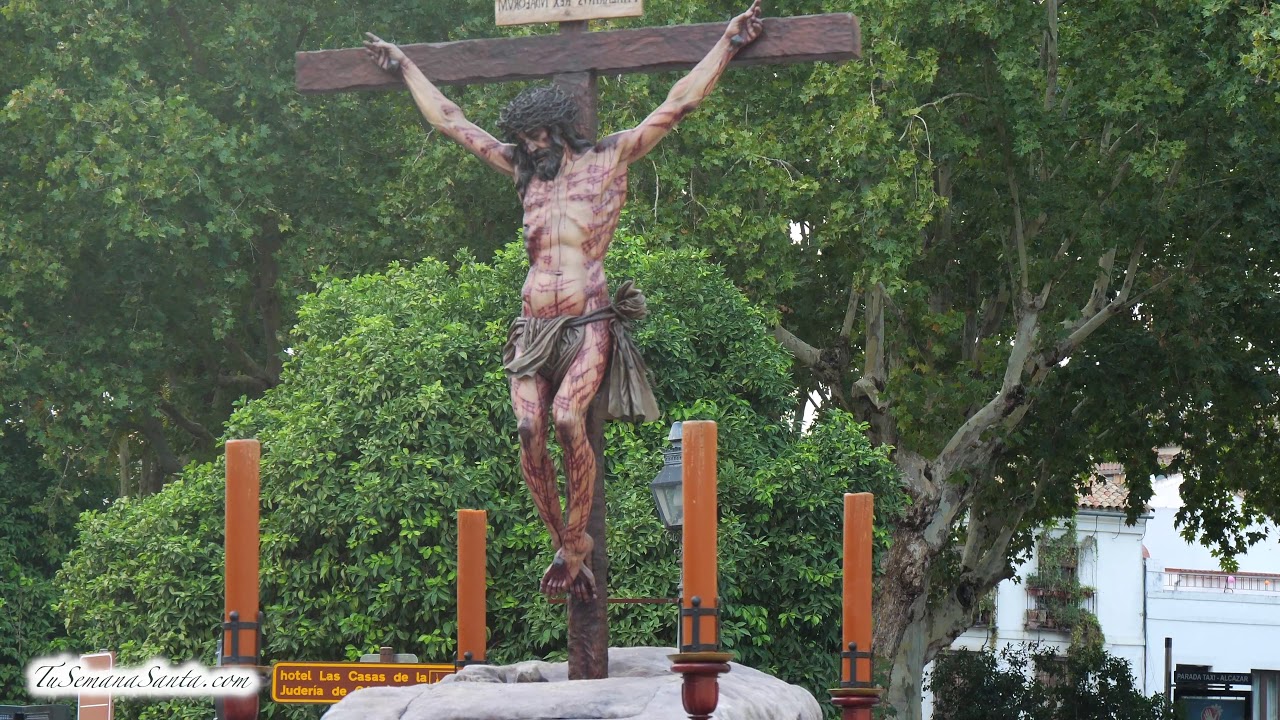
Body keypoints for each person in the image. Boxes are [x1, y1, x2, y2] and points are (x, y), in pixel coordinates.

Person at [364, 1, 764, 600]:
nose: (532, 147)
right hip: (532, 330)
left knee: (568, 418)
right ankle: (567, 545)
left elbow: (678, 101)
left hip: (586, 323)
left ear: (560, 128)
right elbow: (452, 120)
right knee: (529, 427)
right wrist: (405, 67)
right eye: (524, 139)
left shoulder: (608, 159)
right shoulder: (523, 172)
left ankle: (577, 539)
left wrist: (728, 43)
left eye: (539, 136)